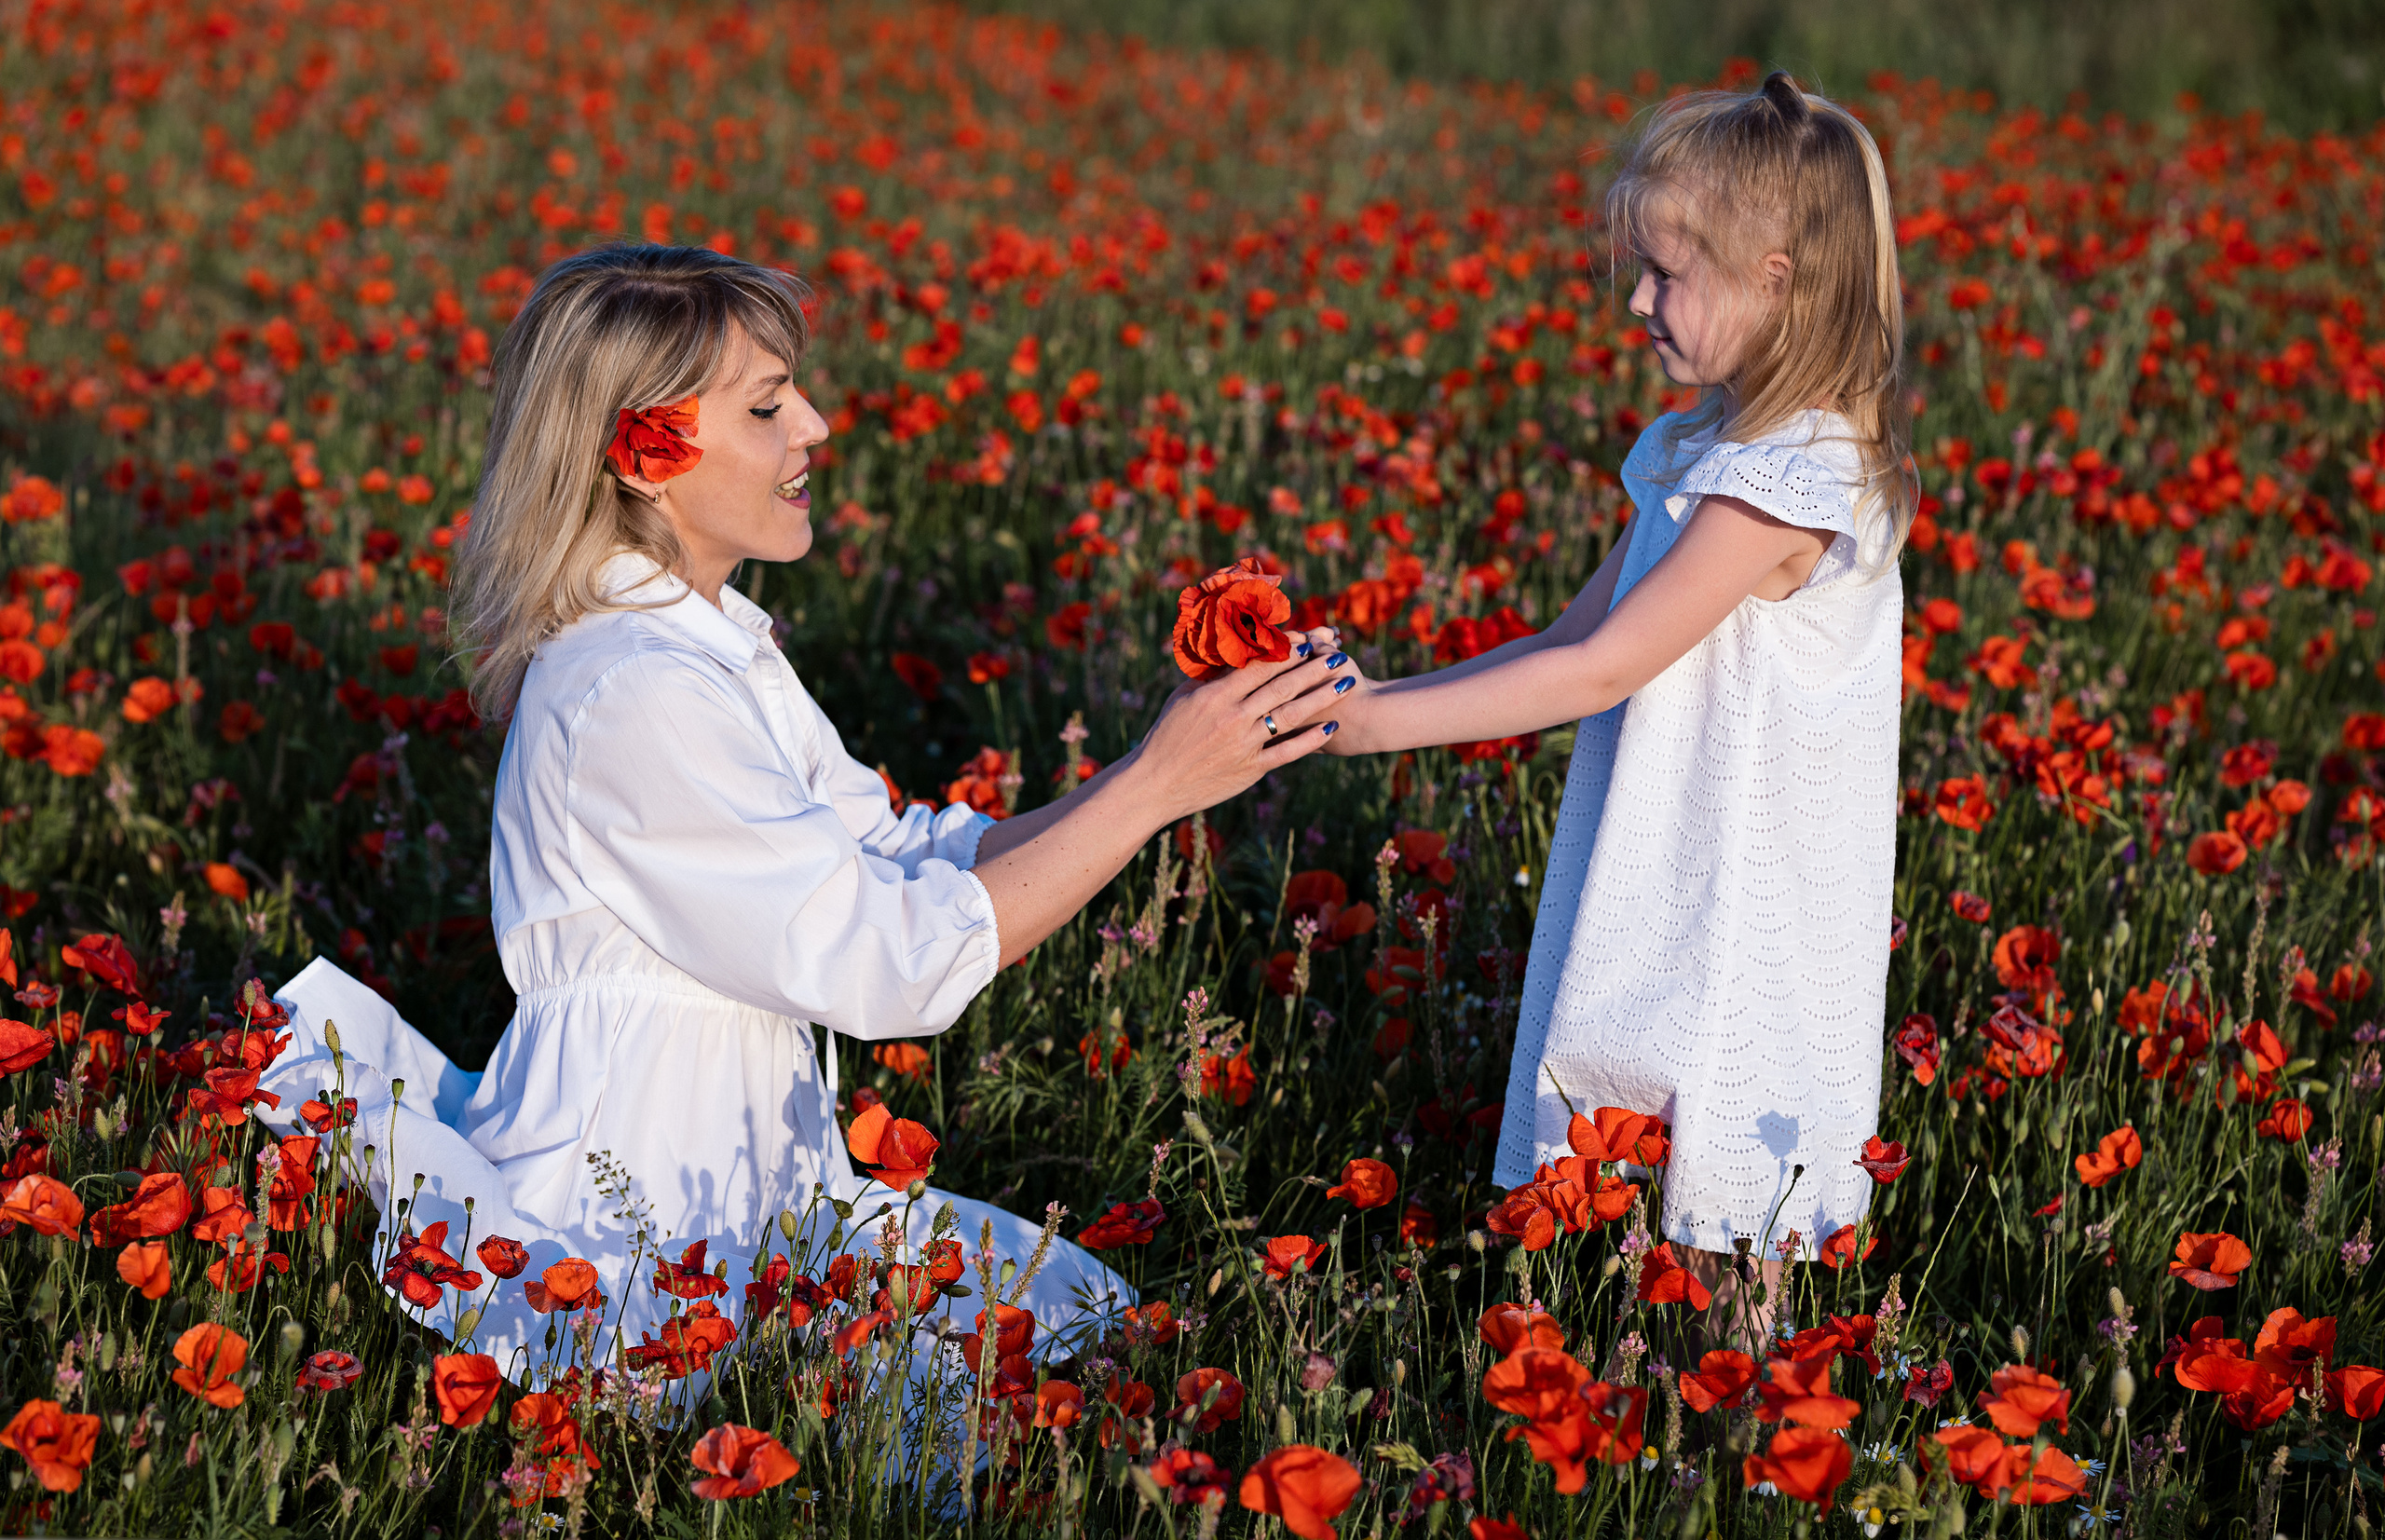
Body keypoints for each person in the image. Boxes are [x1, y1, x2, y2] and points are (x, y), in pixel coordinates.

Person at [255, 243, 1349, 1381]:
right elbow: (887, 965)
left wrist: (1164, 760)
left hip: (754, 1188)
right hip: (638, 1224)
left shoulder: (704, 646)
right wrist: (1155, 787)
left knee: (1084, 1321)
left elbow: (896, 854)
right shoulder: (635, 689)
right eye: (768, 406)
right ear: (644, 453)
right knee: (1001, 1380)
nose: (816, 427)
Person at [1325, 73, 1914, 1347]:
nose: (1636, 302)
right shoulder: (1707, 454)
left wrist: (1365, 727)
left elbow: (1601, 672)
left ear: (1774, 280)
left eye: (1664, 275)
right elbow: (1567, 639)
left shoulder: (1784, 484)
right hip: (1680, 876)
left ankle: (1745, 1427)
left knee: (1726, 1229)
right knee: (1660, 1221)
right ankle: (1674, 1411)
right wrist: (1364, 696)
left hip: (1743, 908)